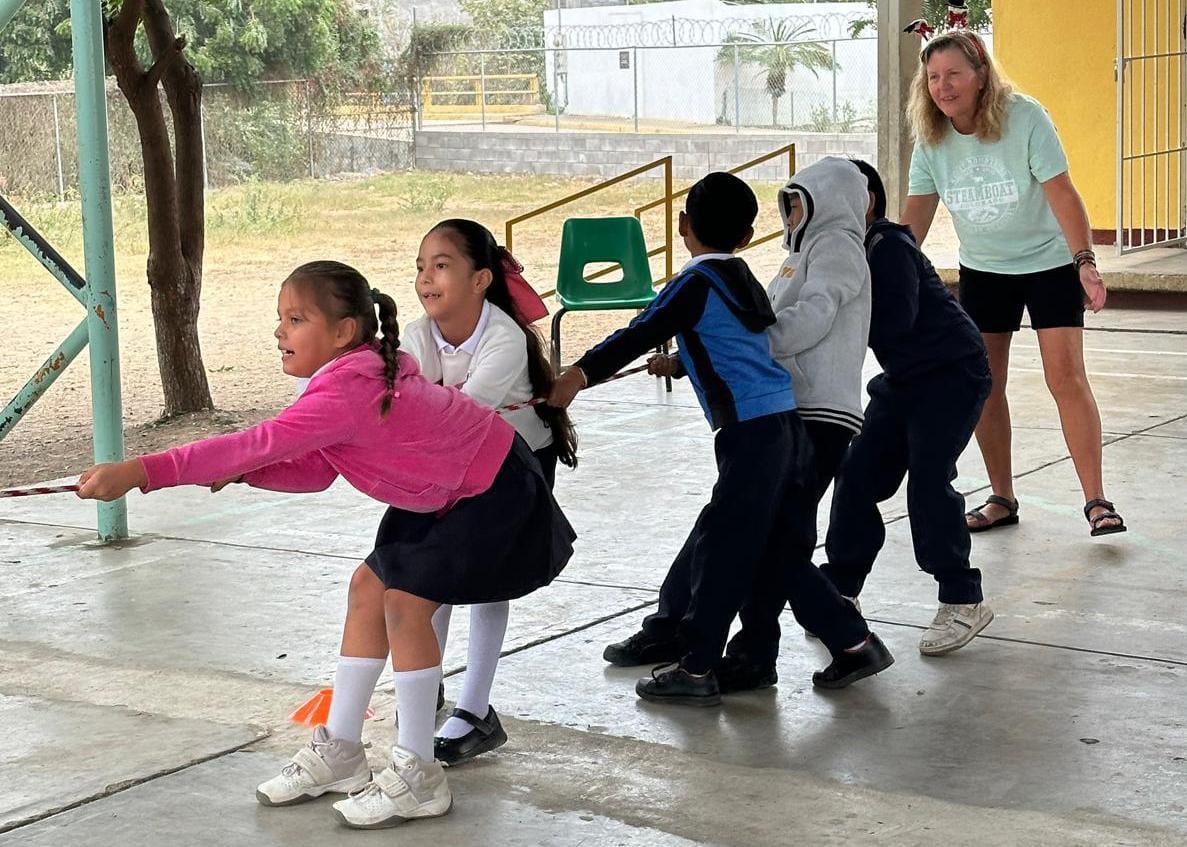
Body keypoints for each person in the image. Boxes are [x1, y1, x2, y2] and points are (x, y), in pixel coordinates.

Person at [76, 260, 575, 829]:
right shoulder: (344, 381)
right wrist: (249, 472)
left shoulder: (345, 389)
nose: (280, 331)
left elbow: (257, 441)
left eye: (296, 319)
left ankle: (418, 774)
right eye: (280, 319)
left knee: (405, 603)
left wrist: (143, 470)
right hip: (445, 489)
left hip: (491, 489)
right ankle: (341, 750)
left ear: (342, 333)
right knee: (369, 587)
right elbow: (315, 471)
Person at [551, 172, 893, 706]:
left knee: (724, 549)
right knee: (770, 549)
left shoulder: (696, 282)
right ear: (750, 230)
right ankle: (851, 642)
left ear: (684, 225)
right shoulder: (744, 277)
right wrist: (684, 360)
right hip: (783, 427)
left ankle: (696, 667)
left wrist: (579, 373)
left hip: (753, 435)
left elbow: (642, 327)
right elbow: (739, 341)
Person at [630, 156, 874, 690]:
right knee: (759, 539)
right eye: (787, 204)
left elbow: (813, 314)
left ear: (826, 201)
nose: (790, 214)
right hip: (787, 407)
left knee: (756, 539)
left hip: (816, 412)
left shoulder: (836, 246)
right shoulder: (799, 254)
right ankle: (757, 650)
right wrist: (698, 356)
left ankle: (830, 642)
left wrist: (749, 347)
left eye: (799, 202)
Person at [901, 29, 1126, 538]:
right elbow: (914, 219)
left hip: (1048, 265)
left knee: (1064, 377)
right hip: (984, 271)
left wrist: (1084, 261)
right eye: (933, 77)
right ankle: (1002, 496)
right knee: (985, 385)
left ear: (980, 75)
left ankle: (1097, 501)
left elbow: (1064, 194)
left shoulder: (1024, 116)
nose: (943, 86)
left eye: (954, 73)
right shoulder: (931, 138)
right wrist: (886, 274)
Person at [400, 218, 577, 766]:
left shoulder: (501, 336)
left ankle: (476, 711)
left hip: (513, 466)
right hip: (447, 464)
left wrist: (413, 413)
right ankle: (423, 683)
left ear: (480, 280)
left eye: (442, 265)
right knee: (430, 577)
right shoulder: (415, 334)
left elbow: (458, 415)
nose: (427, 278)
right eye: (421, 267)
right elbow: (418, 410)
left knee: (482, 581)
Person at [821, 160, 995, 656]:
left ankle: (963, 598)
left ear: (864, 201)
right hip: (904, 377)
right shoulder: (838, 252)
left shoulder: (888, 245)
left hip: (952, 373)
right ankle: (840, 588)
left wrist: (835, 319)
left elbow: (895, 321)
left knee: (927, 476)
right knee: (856, 475)